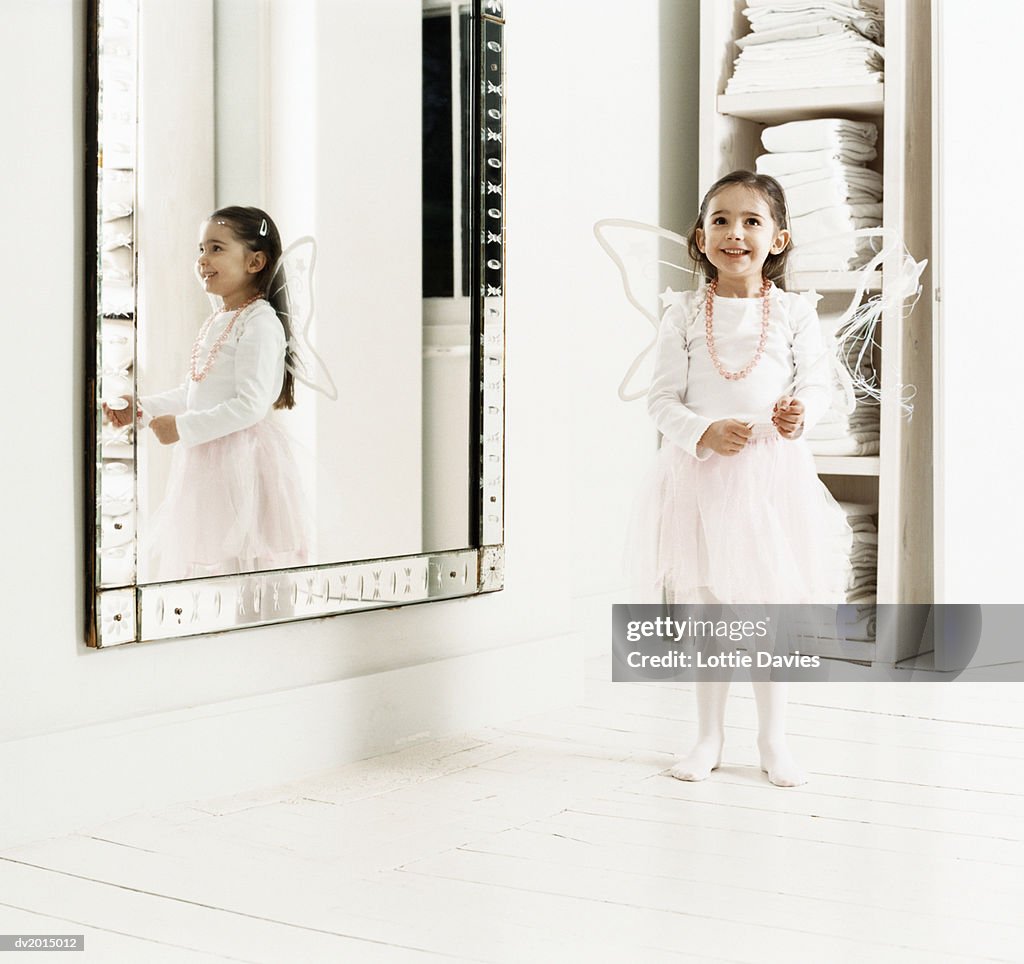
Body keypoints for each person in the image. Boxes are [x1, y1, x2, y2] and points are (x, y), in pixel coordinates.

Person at [640, 171, 851, 787]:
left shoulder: (793, 312)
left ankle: (773, 738)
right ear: (699, 238)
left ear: (778, 240)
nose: (736, 233)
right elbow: (660, 400)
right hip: (702, 476)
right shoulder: (681, 312)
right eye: (721, 220)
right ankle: (707, 735)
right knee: (708, 608)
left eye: (752, 221)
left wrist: (798, 413)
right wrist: (701, 432)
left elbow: (816, 383)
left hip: (769, 475)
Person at [105, 205, 311, 581]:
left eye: (216, 248)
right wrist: (142, 410)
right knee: (217, 561)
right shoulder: (220, 318)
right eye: (200, 249)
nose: (202, 259)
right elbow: (195, 391)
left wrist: (184, 428)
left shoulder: (260, 322)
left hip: (242, 460)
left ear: (255, 262)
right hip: (208, 457)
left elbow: (250, 406)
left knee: (247, 561)